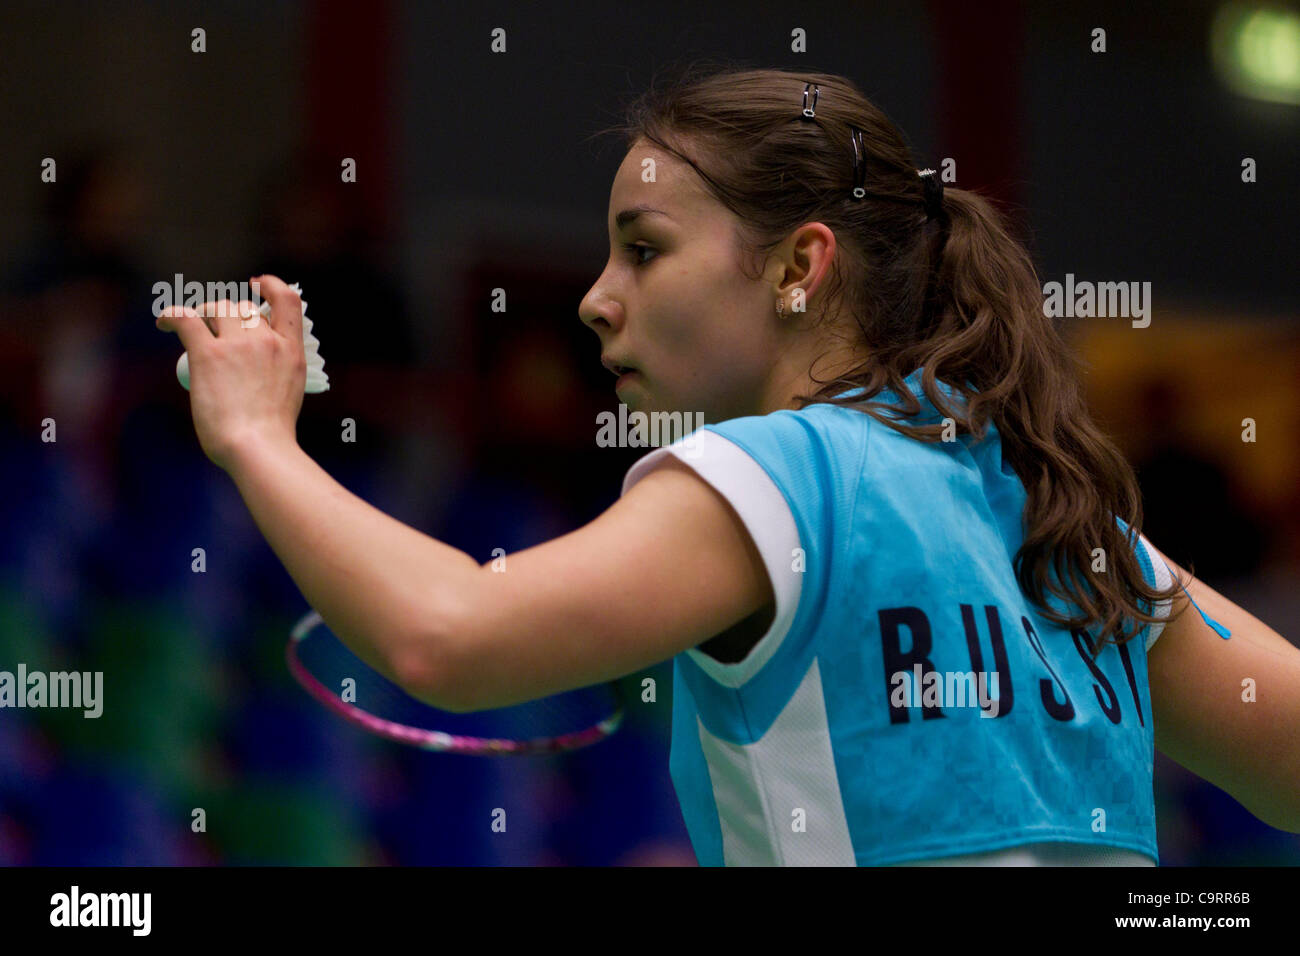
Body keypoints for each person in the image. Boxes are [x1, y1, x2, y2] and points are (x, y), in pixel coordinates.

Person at [156, 66, 1300, 866]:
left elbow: (444, 635)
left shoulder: (776, 472)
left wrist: (256, 436)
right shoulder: (1065, 517)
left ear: (800, 266)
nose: (595, 299)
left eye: (643, 250)